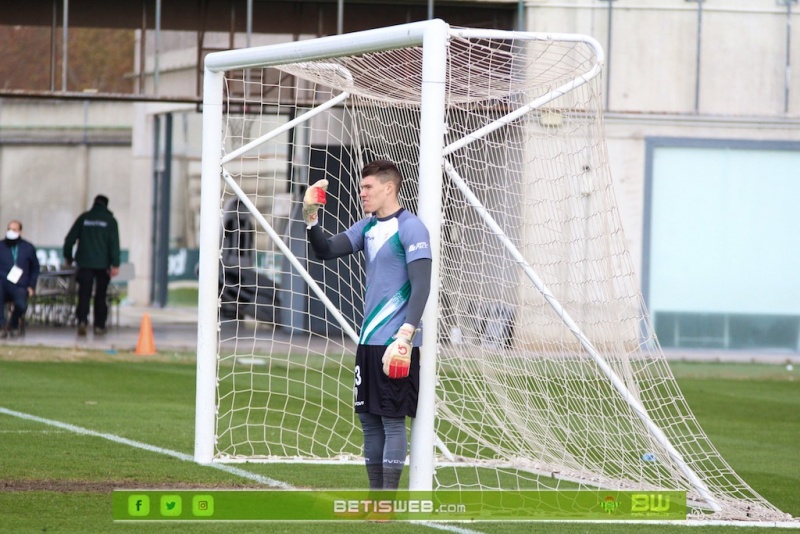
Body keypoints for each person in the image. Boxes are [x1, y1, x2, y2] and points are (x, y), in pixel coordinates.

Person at [303, 159, 432, 491]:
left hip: (396, 346)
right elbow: (325, 250)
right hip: (368, 343)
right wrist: (311, 217)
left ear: (389, 187)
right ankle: (376, 499)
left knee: (391, 423)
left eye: (368, 187)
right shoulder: (367, 227)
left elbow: (421, 286)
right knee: (369, 423)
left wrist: (405, 336)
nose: (362, 193)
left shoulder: (411, 227)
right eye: (361, 188)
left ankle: (386, 504)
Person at [63, 194, 121, 336]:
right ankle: (99, 326)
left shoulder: (84, 218)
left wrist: (68, 257)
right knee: (100, 296)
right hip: (103, 265)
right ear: (106, 205)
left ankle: (82, 321)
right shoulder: (110, 221)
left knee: (84, 294)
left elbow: (69, 239)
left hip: (85, 263)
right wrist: (115, 264)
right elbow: (114, 244)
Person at [0, 220, 40, 338]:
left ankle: (13, 323)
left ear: (20, 232)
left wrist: (31, 285)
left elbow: (35, 268)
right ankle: (1, 325)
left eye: (14, 230)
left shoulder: (28, 247)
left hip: (20, 285)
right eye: (9, 229)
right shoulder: (1, 246)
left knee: (21, 304)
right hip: (2, 282)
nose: (11, 232)